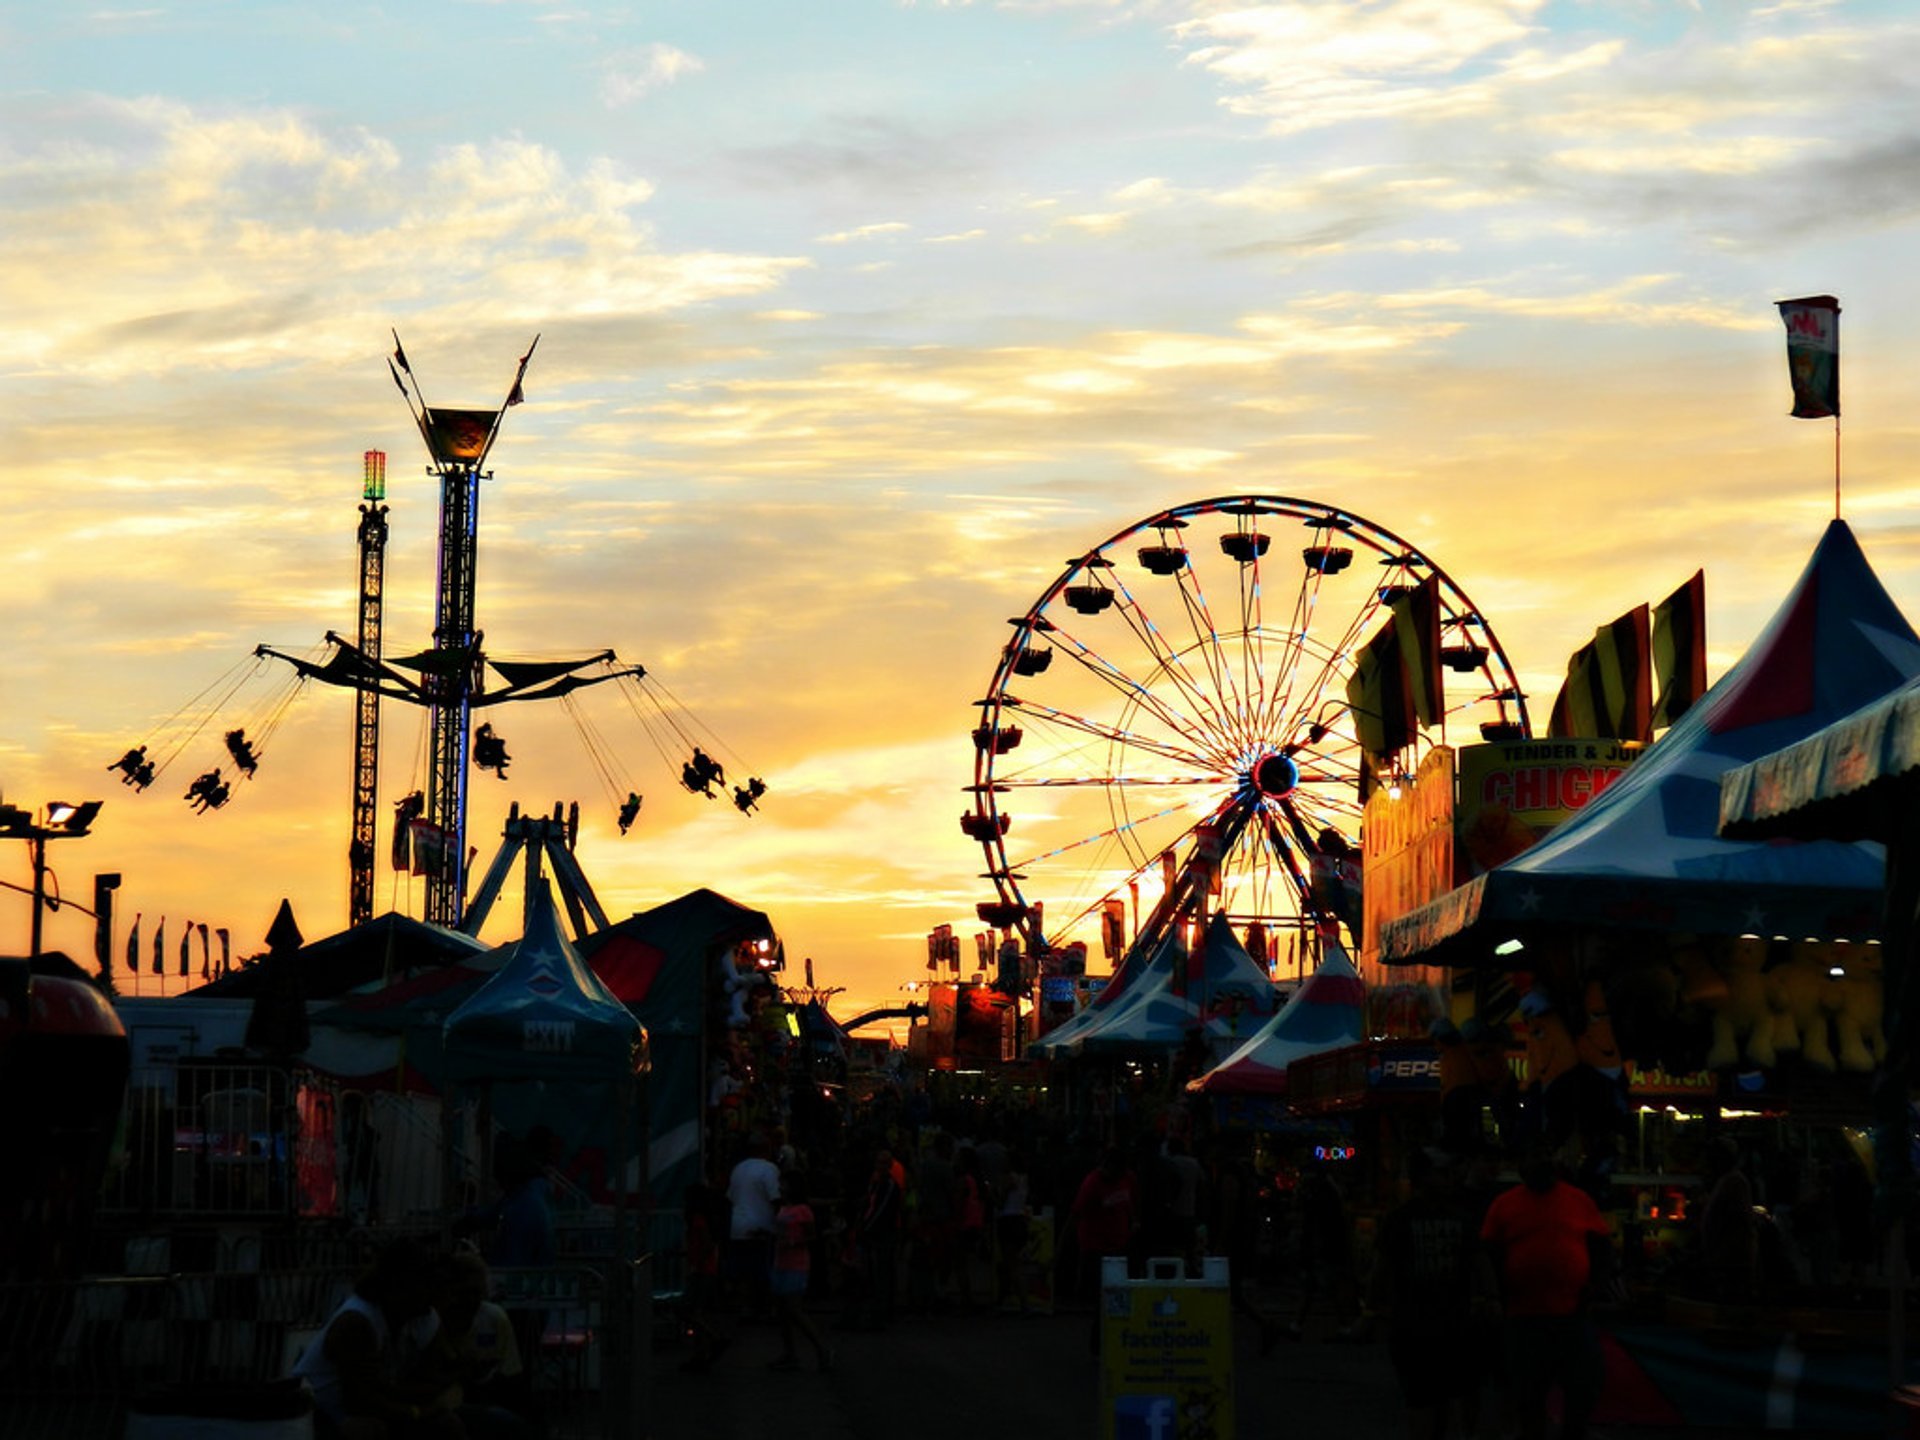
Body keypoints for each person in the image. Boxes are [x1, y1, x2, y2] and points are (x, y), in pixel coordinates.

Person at [1479, 1146, 1614, 1440]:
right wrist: (1495, 1296)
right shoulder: (1504, 1204)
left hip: (1571, 1313)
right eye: (1533, 1155)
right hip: (1522, 1315)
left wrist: (1595, 1288)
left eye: (1545, 1155)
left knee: (1583, 1384)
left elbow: (1602, 1247)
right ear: (1521, 1166)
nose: (1541, 1162)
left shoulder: (1578, 1200)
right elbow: (1487, 1254)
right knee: (1528, 1393)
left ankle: (1571, 1431)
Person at [1372, 1148, 1491, 1440]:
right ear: (1422, 1177)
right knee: (1429, 1402)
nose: (1449, 1178)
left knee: (1433, 1402)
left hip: (1442, 1325)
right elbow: (1382, 1268)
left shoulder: (1406, 1219)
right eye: (1441, 1173)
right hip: (1427, 1326)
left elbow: (1480, 1262)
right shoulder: (1407, 1219)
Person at [291, 1238, 461, 1438]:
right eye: (425, 1283)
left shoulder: (423, 1317)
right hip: (320, 1416)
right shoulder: (357, 1322)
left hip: (377, 1410)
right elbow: (360, 1401)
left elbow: (431, 1379)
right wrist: (417, 1411)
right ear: (400, 1285)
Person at [428, 1249, 534, 1438]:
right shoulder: (430, 1322)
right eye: (462, 1293)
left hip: (487, 1399)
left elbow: (513, 1376)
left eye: (476, 1293)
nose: (469, 1301)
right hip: (439, 1405)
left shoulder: (495, 1319)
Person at [768, 1171, 833, 1372]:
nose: (780, 1187)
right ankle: (790, 1353)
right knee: (782, 1311)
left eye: (783, 1184)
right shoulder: (784, 1207)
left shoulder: (803, 1210)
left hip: (797, 1263)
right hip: (780, 1261)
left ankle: (821, 1347)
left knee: (794, 1309)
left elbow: (812, 1237)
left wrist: (794, 1242)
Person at [727, 1137, 783, 1316]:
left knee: (743, 1270)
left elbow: (730, 1197)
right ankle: (764, 1307)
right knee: (763, 1269)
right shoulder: (769, 1169)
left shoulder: (738, 1169)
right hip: (761, 1226)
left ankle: (746, 1306)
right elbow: (776, 1198)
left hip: (738, 1225)